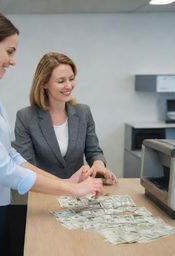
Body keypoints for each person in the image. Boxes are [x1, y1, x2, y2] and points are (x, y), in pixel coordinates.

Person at [0, 10, 104, 256]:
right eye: (9, 51)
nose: (13, 60)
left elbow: (12, 158)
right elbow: (3, 171)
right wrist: (73, 190)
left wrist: (64, 182)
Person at [13, 52, 117, 184]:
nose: (69, 86)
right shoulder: (25, 117)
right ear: (44, 83)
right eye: (61, 81)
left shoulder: (83, 112)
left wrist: (98, 164)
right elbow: (26, 166)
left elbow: (94, 151)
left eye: (71, 79)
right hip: (44, 191)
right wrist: (64, 184)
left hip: (78, 193)